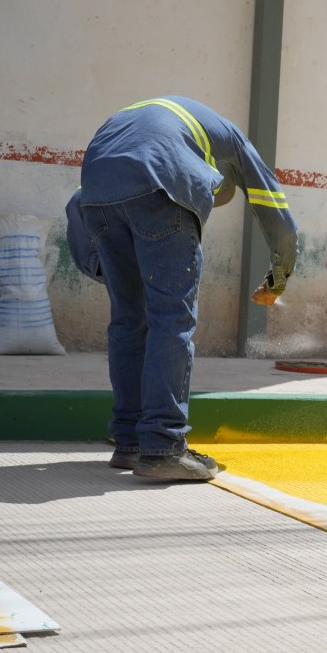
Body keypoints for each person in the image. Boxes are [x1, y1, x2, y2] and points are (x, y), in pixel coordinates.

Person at [65, 96, 298, 480]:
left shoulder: (138, 127)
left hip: (98, 198)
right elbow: (273, 206)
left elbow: (79, 204)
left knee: (128, 321)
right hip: (159, 193)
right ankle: (163, 447)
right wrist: (280, 276)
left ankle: (130, 442)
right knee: (171, 318)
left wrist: (101, 268)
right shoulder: (231, 139)